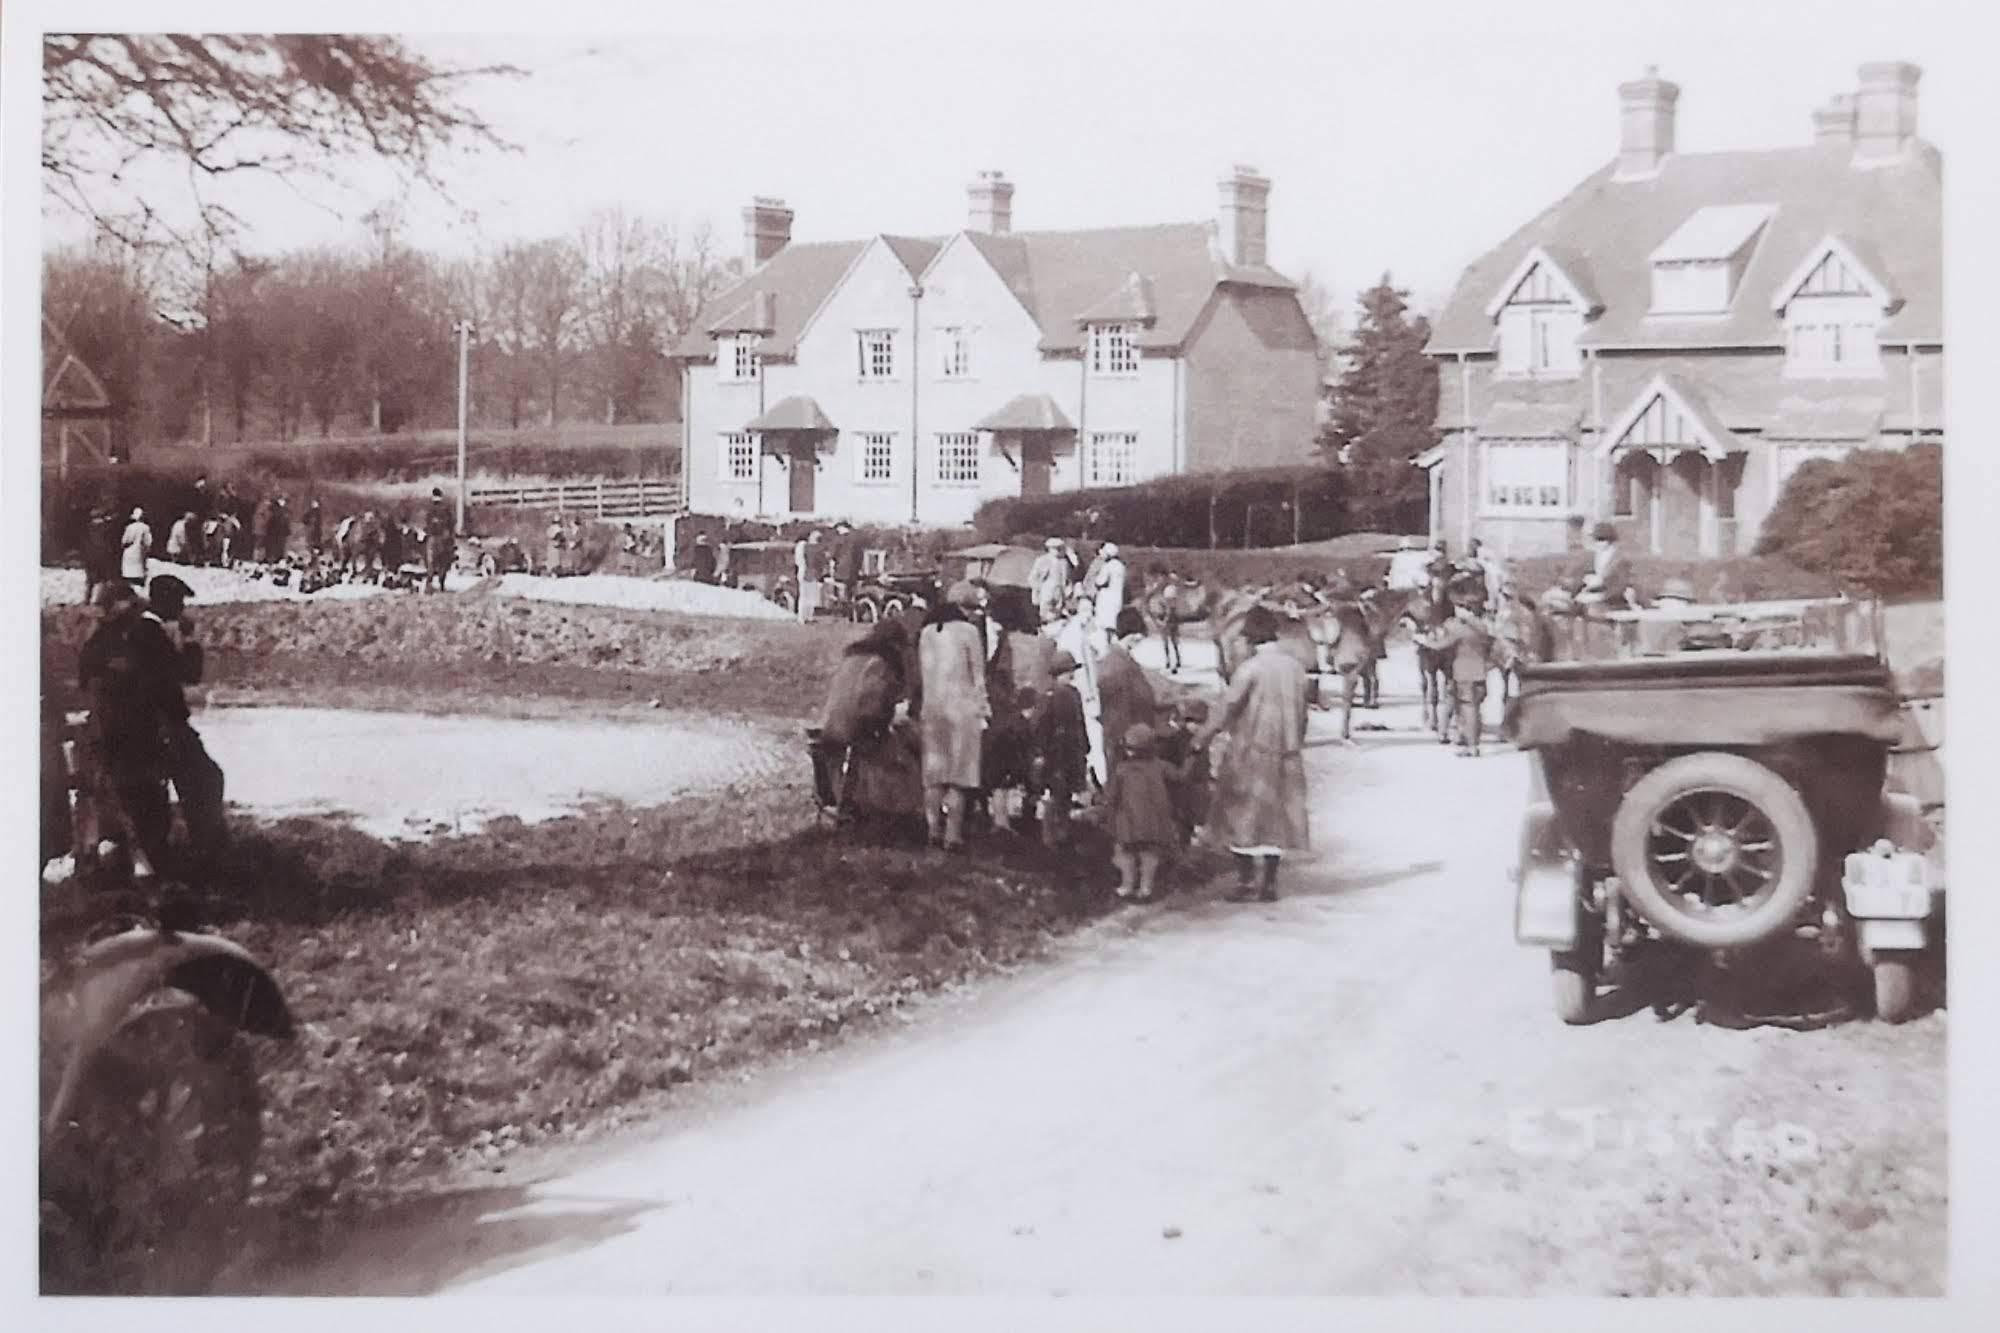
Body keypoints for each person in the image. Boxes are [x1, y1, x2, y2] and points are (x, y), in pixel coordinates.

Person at [1194, 603, 1310, 902]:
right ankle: (1269, 883)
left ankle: (1245, 883)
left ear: (1253, 638)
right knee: (1277, 819)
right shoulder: (1296, 668)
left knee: (1241, 814)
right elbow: (1303, 713)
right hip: (1287, 752)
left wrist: (1202, 737)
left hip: (1252, 751)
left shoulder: (1250, 669)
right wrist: (1296, 742)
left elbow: (1228, 707)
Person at [143, 574, 227, 858]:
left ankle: (203, 845)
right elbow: (189, 674)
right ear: (163, 601)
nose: (180, 608)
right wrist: (189, 640)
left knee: (203, 779)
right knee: (206, 779)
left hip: (158, 723)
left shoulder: (147, 630)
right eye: (177, 601)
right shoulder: (151, 633)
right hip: (163, 724)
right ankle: (206, 848)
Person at [918, 580, 991, 851]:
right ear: (964, 607)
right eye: (973, 609)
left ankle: (932, 829)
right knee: (960, 777)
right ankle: (953, 834)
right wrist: (984, 710)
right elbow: (978, 677)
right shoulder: (969, 632)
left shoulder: (927, 632)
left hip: (932, 709)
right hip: (962, 709)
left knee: (934, 775)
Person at [1103, 723, 1178, 902]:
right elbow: (1179, 777)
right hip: (1154, 820)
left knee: (1126, 853)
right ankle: (1146, 889)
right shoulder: (1161, 766)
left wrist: (1106, 809)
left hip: (1128, 820)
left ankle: (1127, 886)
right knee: (1149, 855)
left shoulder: (1121, 769)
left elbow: (1112, 795)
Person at [1419, 589, 1496, 758]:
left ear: (1463, 608)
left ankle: (1471, 746)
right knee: (1475, 708)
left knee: (1467, 708)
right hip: (1480, 671)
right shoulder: (1482, 625)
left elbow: (1439, 645)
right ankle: (1471, 741)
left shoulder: (1457, 626)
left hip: (1462, 672)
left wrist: (1421, 640)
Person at [1032, 650, 1089, 850]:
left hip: (1072, 750)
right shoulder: (1049, 696)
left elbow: (1080, 723)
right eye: (1067, 672)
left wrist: (1084, 745)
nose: (1070, 676)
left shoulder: (1073, 694)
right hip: (1056, 751)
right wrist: (1042, 750)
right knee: (1055, 792)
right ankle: (1049, 834)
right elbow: (1042, 726)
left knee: (1066, 794)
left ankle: (1063, 831)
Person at [1159, 697, 1212, 846]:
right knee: (1182, 824)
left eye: (1200, 722)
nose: (1196, 726)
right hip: (1180, 790)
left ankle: (1186, 849)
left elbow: (1204, 764)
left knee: (1190, 822)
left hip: (1196, 788)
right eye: (1192, 721)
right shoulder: (1175, 739)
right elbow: (1170, 766)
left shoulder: (1202, 739)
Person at [1578, 520, 1634, 609]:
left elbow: (1621, 587)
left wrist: (1599, 596)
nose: (1597, 544)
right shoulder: (1598, 556)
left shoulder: (1620, 560)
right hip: (1596, 598)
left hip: (1614, 602)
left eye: (1601, 540)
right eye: (1596, 540)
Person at [1091, 541, 1128, 656]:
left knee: (1104, 627)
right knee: (1114, 627)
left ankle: (1105, 653)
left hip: (1106, 599)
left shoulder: (1108, 566)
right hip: (1117, 598)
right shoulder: (1121, 566)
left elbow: (1100, 581)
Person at [1029, 537, 1073, 629]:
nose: (1057, 550)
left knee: (1058, 612)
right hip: (1047, 589)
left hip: (1059, 590)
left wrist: (1068, 589)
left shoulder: (1064, 562)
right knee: (1046, 613)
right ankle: (1044, 632)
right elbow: (1033, 577)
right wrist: (1038, 589)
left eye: (1059, 548)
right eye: (1054, 548)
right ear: (1049, 549)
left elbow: (1067, 578)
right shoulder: (1042, 560)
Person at [1150, 563, 1184, 673]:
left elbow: (1170, 607)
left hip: (1168, 616)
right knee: (1169, 640)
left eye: (1160, 577)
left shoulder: (1169, 589)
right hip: (1165, 615)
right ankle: (1172, 660)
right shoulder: (1163, 588)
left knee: (1170, 640)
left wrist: (1164, 619)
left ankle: (1172, 660)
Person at [424, 487, 456, 593]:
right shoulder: (446, 508)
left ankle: (429, 583)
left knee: (431, 562)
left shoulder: (430, 508)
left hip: (432, 538)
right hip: (444, 538)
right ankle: (441, 584)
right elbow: (451, 523)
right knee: (443, 561)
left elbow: (427, 524)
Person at [793, 529, 825, 622]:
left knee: (805, 596)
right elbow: (818, 563)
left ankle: (804, 617)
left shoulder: (803, 546)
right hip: (810, 573)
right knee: (809, 596)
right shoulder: (815, 549)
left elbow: (799, 561)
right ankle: (806, 617)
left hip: (805, 572)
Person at [120, 507, 153, 587]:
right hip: (139, 553)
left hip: (129, 553)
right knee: (139, 573)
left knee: (128, 574)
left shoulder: (129, 527)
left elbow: (124, 541)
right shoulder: (146, 528)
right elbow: (148, 542)